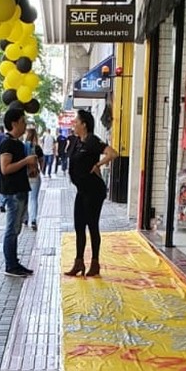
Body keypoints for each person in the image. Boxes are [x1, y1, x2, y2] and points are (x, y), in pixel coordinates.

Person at [64, 108, 116, 279]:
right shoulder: (76, 142)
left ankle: (95, 263)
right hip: (81, 190)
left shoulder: (92, 140)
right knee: (79, 225)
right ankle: (79, 262)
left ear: (84, 124)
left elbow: (112, 153)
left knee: (92, 225)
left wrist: (98, 165)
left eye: (76, 122)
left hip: (93, 190)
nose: (74, 124)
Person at [0, 106, 34, 279]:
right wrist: (26, 161)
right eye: (22, 121)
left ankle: (14, 262)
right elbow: (5, 169)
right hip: (12, 192)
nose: (25, 125)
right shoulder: (7, 143)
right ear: (14, 123)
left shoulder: (18, 144)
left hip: (20, 189)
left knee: (16, 229)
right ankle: (10, 265)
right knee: (12, 230)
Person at [24, 126, 43, 232]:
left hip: (24, 176)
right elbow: (42, 160)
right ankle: (33, 220)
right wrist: (41, 169)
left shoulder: (23, 147)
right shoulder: (37, 148)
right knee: (33, 199)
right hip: (34, 175)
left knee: (25, 198)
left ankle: (25, 218)